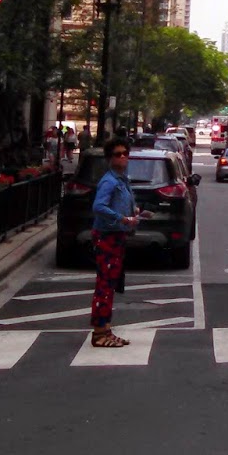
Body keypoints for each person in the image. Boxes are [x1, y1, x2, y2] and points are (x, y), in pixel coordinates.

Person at [89, 137, 141, 349]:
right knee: (104, 285)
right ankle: (99, 332)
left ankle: (106, 329)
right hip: (107, 236)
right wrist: (121, 218)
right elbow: (99, 206)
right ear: (110, 158)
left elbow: (124, 202)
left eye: (125, 153)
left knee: (110, 284)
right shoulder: (109, 181)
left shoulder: (121, 180)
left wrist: (133, 211)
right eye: (118, 154)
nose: (123, 157)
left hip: (117, 237)